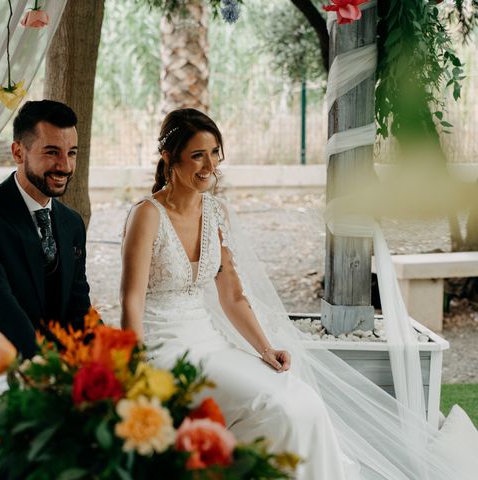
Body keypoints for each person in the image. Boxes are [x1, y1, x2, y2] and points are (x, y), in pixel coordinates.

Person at [120, 108, 477, 479]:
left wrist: (264, 348)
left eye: (214, 153)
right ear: (169, 157)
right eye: (197, 154)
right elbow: (131, 299)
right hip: (163, 350)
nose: (209, 164)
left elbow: (233, 297)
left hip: (209, 343)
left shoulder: (215, 213)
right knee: (276, 407)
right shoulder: (148, 215)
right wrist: (135, 370)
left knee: (303, 400)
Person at [0, 100, 90, 400]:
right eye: (52, 152)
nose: (65, 165)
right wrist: (48, 371)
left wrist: (109, 355)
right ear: (18, 152)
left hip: (53, 373)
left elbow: (78, 308)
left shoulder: (71, 223)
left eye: (71, 153)